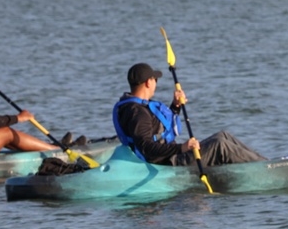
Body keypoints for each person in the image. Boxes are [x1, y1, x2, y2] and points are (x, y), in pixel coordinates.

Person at [113, 62, 267, 166]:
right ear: (148, 82)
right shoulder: (137, 113)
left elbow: (157, 131)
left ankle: (264, 163)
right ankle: (265, 168)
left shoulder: (134, 107)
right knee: (220, 145)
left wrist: (175, 107)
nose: (155, 83)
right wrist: (182, 148)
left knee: (223, 136)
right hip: (168, 162)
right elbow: (146, 147)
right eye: (155, 80)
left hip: (168, 155)